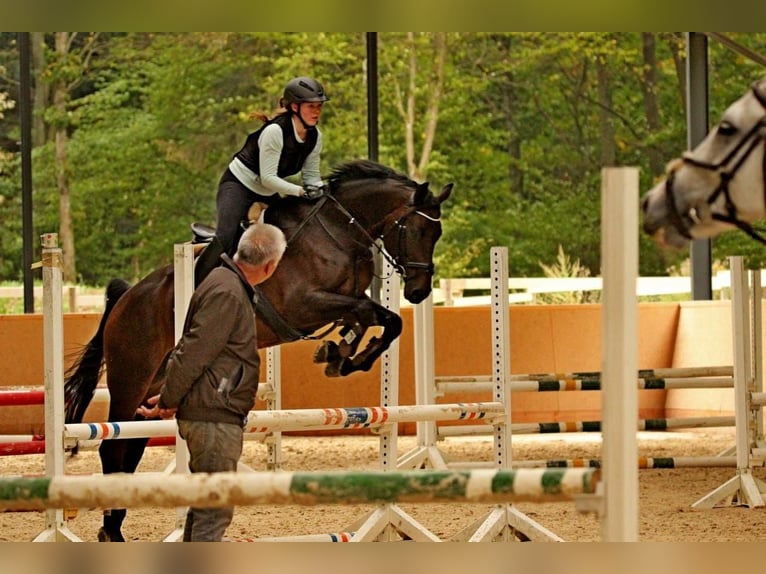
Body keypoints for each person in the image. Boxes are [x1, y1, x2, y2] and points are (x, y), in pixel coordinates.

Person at [137, 223, 287, 542]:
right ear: (271, 265)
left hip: (209, 411)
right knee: (214, 511)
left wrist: (171, 397)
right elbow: (194, 351)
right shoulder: (229, 291)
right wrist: (168, 399)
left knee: (205, 506)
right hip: (215, 415)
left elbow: (193, 349)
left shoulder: (222, 281)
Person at [215, 76, 329, 257]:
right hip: (239, 185)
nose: (316, 112)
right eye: (311, 106)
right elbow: (268, 178)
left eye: (319, 106)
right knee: (225, 238)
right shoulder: (275, 131)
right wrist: (300, 192)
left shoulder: (315, 137)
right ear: (294, 107)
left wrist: (323, 192)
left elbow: (311, 177)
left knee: (290, 235)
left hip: (267, 193)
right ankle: (197, 281)